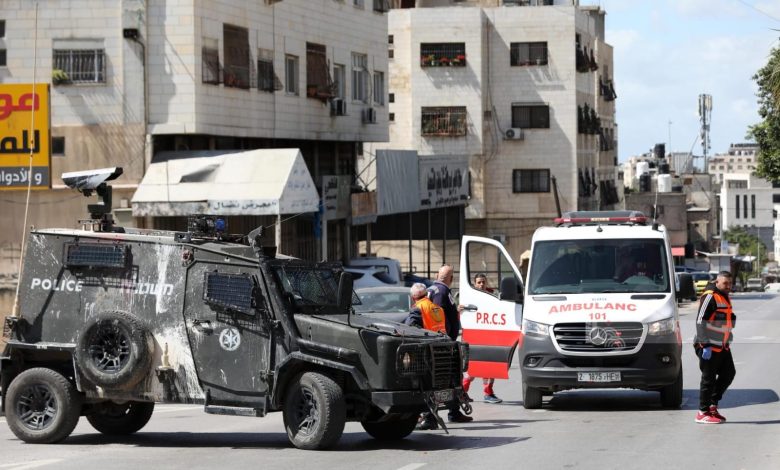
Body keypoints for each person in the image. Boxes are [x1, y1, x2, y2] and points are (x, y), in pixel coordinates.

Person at [427, 265, 474, 424]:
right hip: (442, 344)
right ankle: (435, 415)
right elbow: (438, 316)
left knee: (449, 378)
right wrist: (445, 337)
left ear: (437, 275)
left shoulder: (433, 289)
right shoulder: (441, 291)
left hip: (440, 342)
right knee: (448, 378)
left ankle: (453, 411)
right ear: (452, 279)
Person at [404, 283, 448, 431]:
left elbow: (410, 328)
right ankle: (430, 418)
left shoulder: (418, 308)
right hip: (440, 350)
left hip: (426, 352)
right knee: (433, 386)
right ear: (426, 295)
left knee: (424, 386)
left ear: (413, 297)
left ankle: (428, 418)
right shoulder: (437, 308)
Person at [694, 270, 736, 424]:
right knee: (708, 379)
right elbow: (700, 321)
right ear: (717, 282)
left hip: (722, 346)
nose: (728, 286)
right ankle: (702, 412)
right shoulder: (710, 296)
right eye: (725, 283)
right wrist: (705, 345)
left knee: (729, 374)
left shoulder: (724, 296)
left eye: (730, 283)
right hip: (709, 346)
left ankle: (712, 405)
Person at [462, 273, 502, 404]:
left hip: (489, 337)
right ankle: (462, 393)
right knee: (472, 367)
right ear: (474, 284)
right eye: (479, 282)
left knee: (489, 367)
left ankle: (488, 393)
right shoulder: (469, 297)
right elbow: (462, 315)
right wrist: (459, 310)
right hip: (474, 337)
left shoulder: (492, 296)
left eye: (483, 282)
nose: (481, 284)